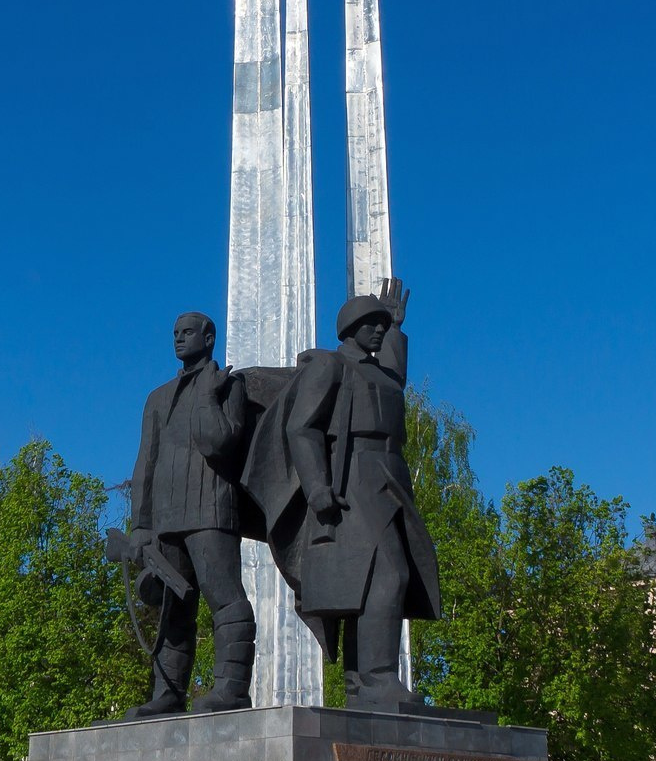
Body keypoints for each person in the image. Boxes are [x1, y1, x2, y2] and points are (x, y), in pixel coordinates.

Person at [254, 277, 440, 709]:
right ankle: (377, 678)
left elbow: (393, 381)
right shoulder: (329, 366)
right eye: (371, 323)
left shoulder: (379, 372)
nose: (377, 329)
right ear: (349, 328)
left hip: (389, 473)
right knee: (389, 573)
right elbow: (302, 427)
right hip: (352, 475)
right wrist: (316, 485)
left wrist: (396, 328)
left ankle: (361, 684)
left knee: (375, 577)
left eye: (381, 324)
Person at [126, 311, 258, 714]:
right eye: (175, 333)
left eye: (187, 333)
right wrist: (140, 524)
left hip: (210, 507)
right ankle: (167, 694)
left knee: (225, 598)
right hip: (166, 519)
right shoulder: (157, 398)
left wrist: (206, 394)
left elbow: (218, 442)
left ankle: (232, 688)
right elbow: (144, 464)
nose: (179, 339)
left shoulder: (227, 386)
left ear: (209, 337)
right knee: (172, 609)